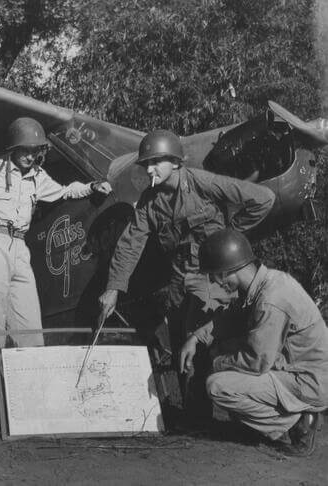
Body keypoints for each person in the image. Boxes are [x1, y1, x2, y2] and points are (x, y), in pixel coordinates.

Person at [99, 129, 276, 360]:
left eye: (155, 162)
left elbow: (263, 199)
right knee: (180, 351)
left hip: (212, 278)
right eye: (146, 164)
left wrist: (230, 233)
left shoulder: (201, 182)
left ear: (175, 162)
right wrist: (113, 288)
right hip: (178, 282)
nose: (149, 170)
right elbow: (130, 243)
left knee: (207, 349)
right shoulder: (149, 202)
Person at [0, 117, 112, 353]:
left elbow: (64, 192)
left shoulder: (38, 176)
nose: (30, 156)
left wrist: (92, 186)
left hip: (20, 248)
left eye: (35, 151)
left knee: (30, 320)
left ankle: (30, 363)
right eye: (25, 150)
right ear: (14, 147)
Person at [180, 229, 328, 456]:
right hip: (299, 371)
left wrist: (216, 360)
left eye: (215, 276)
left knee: (218, 385)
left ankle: (298, 422)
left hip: (308, 381)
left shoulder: (270, 300)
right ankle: (276, 420)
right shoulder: (267, 281)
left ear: (226, 272)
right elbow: (231, 317)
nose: (215, 283)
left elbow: (256, 362)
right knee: (230, 366)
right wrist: (197, 337)